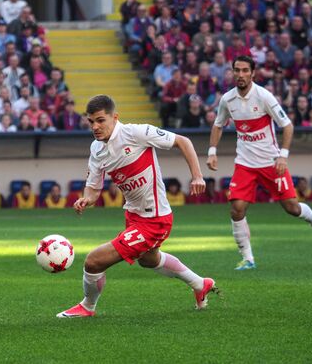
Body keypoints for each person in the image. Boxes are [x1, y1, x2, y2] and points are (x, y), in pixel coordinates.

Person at [57, 95, 217, 318]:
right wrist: (86, 199)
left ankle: (87, 306)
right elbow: (93, 188)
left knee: (93, 261)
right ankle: (200, 284)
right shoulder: (96, 149)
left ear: (115, 117)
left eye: (100, 120)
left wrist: (198, 177)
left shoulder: (135, 133)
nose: (95, 126)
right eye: (91, 121)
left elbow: (183, 141)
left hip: (155, 219)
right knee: (149, 260)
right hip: (133, 215)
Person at [206, 56, 312, 271]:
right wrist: (212, 152)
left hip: (271, 162)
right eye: (237, 70)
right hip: (245, 164)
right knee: (236, 209)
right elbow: (218, 125)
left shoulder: (264, 96)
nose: (240, 74)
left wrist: (283, 156)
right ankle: (248, 259)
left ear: (252, 73)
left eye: (245, 70)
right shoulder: (227, 100)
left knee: (292, 208)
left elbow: (287, 125)